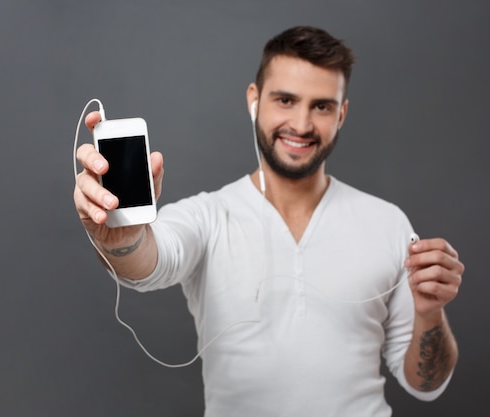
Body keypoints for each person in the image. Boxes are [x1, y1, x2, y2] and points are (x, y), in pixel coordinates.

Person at [74, 26, 464, 416]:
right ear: (254, 101)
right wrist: (120, 240)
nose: (302, 124)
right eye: (285, 100)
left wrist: (430, 312)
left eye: (322, 106)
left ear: (341, 113)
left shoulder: (387, 223)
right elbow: (148, 264)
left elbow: (424, 385)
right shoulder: (210, 217)